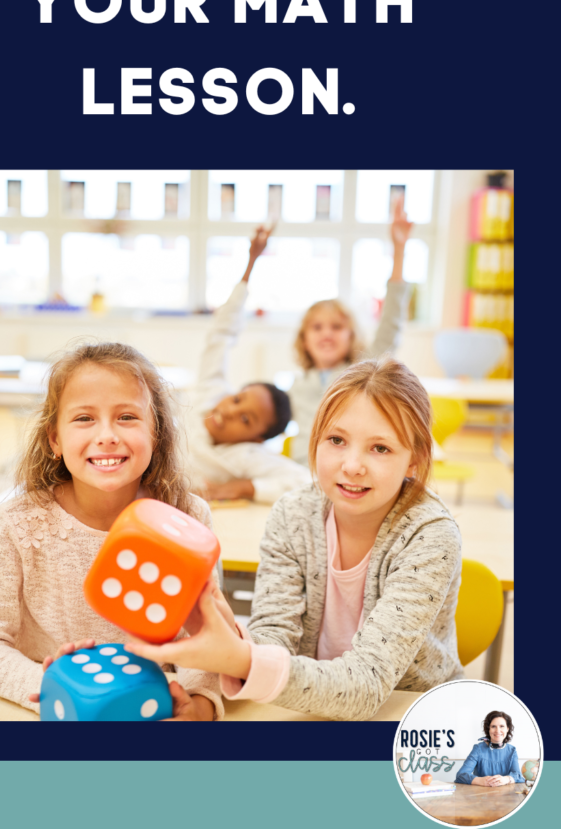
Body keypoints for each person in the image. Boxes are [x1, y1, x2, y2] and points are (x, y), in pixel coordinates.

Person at [124, 356, 464, 720]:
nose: (352, 465)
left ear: (414, 459)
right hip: (310, 709)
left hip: (412, 719)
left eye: (380, 448)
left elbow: (368, 684)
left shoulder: (429, 535)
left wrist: (241, 658)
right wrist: (234, 643)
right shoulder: (292, 514)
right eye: (336, 440)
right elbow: (275, 636)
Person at [0, 341, 223, 720]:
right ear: (54, 439)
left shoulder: (188, 516)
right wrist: (48, 687)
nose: (107, 435)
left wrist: (200, 703)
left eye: (127, 417)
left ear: (157, 433)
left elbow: (205, 638)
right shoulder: (20, 520)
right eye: (84, 418)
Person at [185, 224, 311, 503]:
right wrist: (250, 263)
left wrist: (246, 487)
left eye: (245, 419)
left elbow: (305, 482)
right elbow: (220, 335)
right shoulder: (210, 392)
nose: (231, 411)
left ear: (256, 440)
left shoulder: (244, 457)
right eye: (238, 400)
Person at [288, 196, 414, 466]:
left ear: (351, 335)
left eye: (336, 327)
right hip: (302, 470)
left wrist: (399, 250)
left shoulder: (361, 371)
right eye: (317, 327)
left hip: (347, 471)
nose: (327, 334)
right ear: (304, 339)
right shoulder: (298, 385)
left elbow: (391, 324)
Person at [455, 712, 525, 786]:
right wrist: (481, 781)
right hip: (481, 795)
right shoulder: (478, 749)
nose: (497, 730)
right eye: (493, 726)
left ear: (507, 729)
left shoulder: (512, 751)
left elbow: (518, 776)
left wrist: (506, 779)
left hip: (506, 795)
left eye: (502, 726)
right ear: (489, 729)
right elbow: (461, 775)